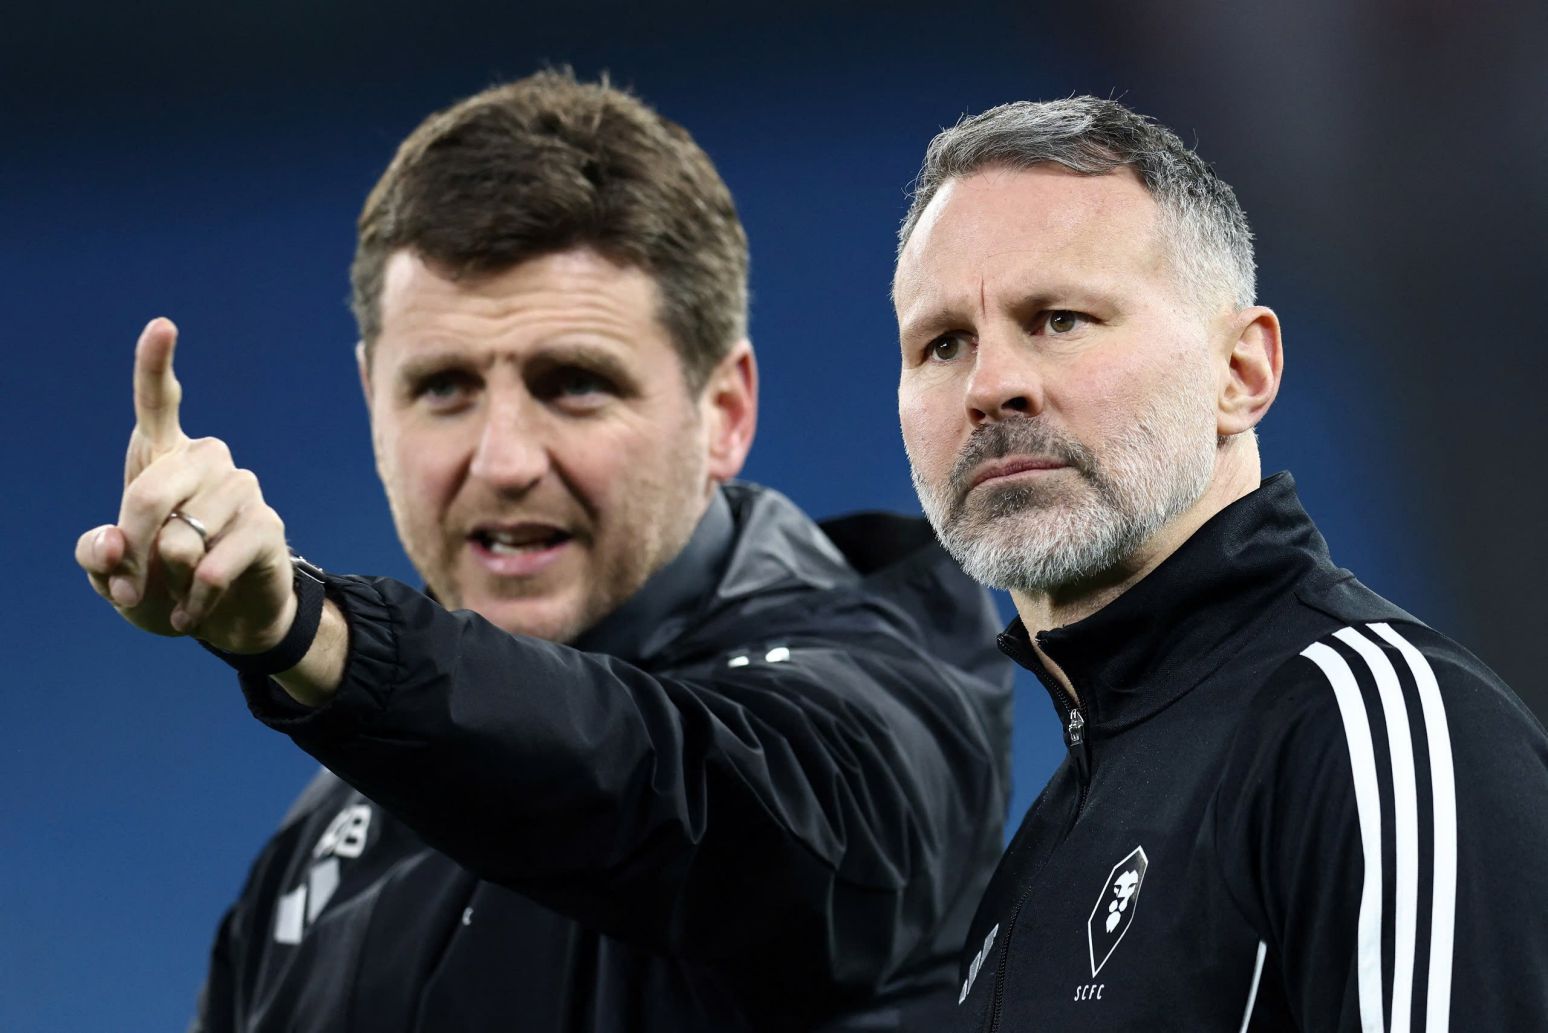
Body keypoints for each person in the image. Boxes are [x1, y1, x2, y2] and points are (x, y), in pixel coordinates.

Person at [75, 71, 1014, 1033]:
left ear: (723, 410)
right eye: (442, 387)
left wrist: (308, 634)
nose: (505, 460)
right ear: (372, 405)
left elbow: (685, 806)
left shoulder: (880, 708)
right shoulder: (325, 843)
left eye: (572, 382)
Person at [893, 96, 1548, 1031]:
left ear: (1242, 373)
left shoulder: (1366, 726)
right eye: (943, 342)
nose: (992, 385)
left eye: (1061, 318)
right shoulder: (1044, 846)